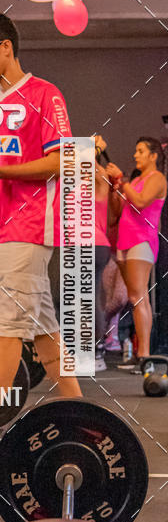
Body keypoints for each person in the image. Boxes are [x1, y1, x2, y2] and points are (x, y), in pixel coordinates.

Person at [0, 12, 82, 418]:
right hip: (2, 230)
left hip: (32, 225)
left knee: (7, 332)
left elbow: (62, 163)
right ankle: (81, 413)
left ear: (5, 48)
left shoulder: (44, 94)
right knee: (45, 334)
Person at [106, 137, 167, 368]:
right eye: (136, 150)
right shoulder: (137, 179)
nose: (135, 155)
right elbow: (116, 212)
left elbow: (140, 201)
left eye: (140, 151)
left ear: (153, 156)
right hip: (124, 240)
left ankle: (144, 355)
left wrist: (124, 183)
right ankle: (141, 354)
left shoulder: (157, 178)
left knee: (138, 296)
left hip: (142, 240)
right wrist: (116, 188)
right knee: (134, 298)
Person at [93, 136, 113, 371]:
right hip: (73, 245)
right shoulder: (75, 181)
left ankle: (96, 351)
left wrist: (95, 148)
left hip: (93, 244)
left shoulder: (99, 178)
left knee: (90, 298)